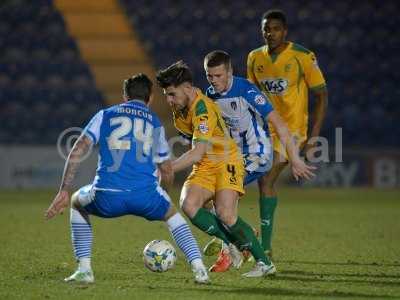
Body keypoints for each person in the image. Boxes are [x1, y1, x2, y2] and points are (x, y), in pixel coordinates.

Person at [45, 74, 209, 284]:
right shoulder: (154, 122)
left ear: (125, 96)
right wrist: (162, 197)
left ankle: (84, 269)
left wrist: (64, 189)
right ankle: (199, 268)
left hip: (106, 196)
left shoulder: (105, 114)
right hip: (146, 196)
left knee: (77, 202)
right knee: (173, 216)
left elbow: (78, 148)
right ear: (150, 98)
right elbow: (167, 170)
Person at [156, 61, 275, 277]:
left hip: (227, 161)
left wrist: (168, 168)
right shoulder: (181, 112)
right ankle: (236, 243)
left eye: (171, 94)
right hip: (206, 165)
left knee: (226, 216)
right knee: (189, 205)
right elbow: (196, 148)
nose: (169, 100)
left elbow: (196, 152)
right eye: (167, 95)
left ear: (187, 88)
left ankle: (265, 263)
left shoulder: (203, 109)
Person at [202, 50, 315, 270]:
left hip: (257, 153)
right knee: (205, 194)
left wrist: (295, 159)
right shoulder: (210, 96)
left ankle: (232, 247)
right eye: (209, 76)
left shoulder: (246, 90)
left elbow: (279, 123)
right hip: (232, 156)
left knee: (221, 193)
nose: (214, 81)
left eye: (218, 75)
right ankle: (240, 234)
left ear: (230, 72)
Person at [247, 9, 328, 256]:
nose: (270, 33)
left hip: (292, 130)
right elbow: (251, 96)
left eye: (275, 29)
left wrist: (314, 136)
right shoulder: (254, 58)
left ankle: (265, 247)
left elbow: (322, 96)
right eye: (266, 29)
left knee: (267, 177)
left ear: (285, 31)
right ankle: (253, 239)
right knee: (257, 181)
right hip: (264, 130)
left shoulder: (302, 56)